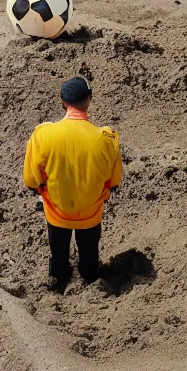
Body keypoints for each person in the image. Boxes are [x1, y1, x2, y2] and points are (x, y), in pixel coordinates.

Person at [23, 76, 122, 288]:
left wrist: (44, 189)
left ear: (62, 102)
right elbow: (114, 181)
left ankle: (59, 278)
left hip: (57, 211)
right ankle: (89, 276)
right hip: (91, 212)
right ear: (89, 100)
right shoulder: (107, 138)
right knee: (89, 253)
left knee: (58, 253)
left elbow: (31, 180)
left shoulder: (43, 135)